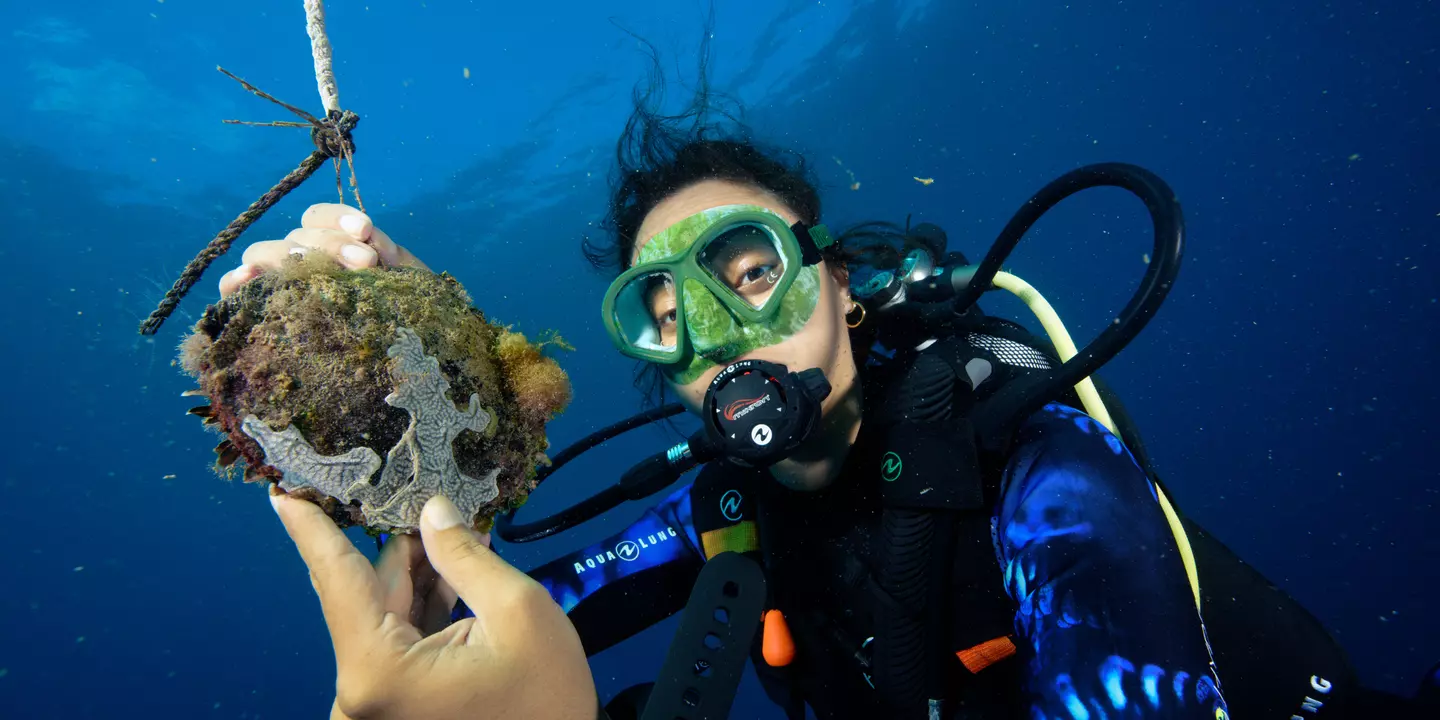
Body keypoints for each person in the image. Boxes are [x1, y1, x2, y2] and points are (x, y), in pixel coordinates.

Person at [231, 51, 1438, 720]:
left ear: (842, 286)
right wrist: (402, 387)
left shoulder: (1036, 473)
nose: (717, 336)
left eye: (747, 272)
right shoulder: (717, 517)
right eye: (665, 313)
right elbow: (454, 628)